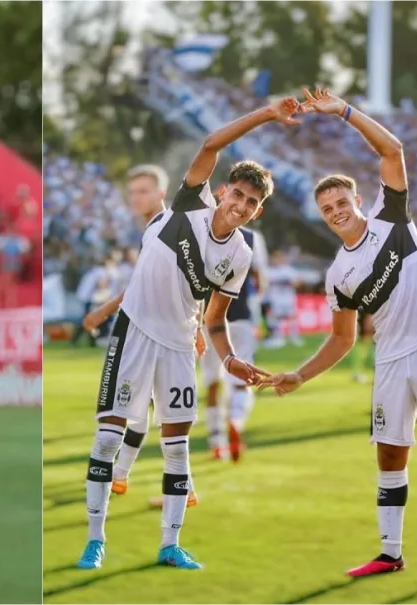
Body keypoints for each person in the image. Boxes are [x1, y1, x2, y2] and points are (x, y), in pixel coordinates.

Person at [262, 88, 417, 583]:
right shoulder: (338, 273)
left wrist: (342, 111)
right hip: (389, 361)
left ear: (358, 200)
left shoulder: (392, 218)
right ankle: (390, 553)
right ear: (323, 216)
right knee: (389, 455)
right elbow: (342, 340)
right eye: (327, 208)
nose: (336, 210)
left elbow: (392, 151)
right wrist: (300, 374)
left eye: (342, 201)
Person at [77, 97, 302, 571]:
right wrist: (265, 114)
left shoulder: (239, 254)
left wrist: (230, 358)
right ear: (223, 192)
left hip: (180, 346)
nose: (240, 206)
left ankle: (169, 544)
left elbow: (216, 315)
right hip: (135, 333)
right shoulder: (190, 203)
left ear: (257, 212)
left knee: (177, 448)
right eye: (237, 195)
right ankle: (95, 540)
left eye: (251, 203)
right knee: (106, 440)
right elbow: (211, 143)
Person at [80, 164, 198, 508]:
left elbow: (195, 276)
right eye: (132, 192)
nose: (137, 198)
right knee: (147, 405)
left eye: (144, 191)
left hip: (160, 332)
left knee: (144, 406)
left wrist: (103, 311)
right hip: (167, 329)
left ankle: (140, 478)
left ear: (161, 193)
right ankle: (127, 476)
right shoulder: (154, 229)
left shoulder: (167, 225)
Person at [202, 226, 269, 462]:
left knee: (212, 381)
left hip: (208, 317)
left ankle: (216, 442)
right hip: (240, 314)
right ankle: (236, 421)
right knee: (241, 379)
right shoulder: (251, 237)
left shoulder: (204, 233)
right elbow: (260, 280)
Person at [262, 250, 301, 347]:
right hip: (275, 299)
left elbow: (298, 282)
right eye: (274, 259)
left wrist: (291, 282)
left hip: (288, 298)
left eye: (278, 258)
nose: (276, 261)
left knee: (292, 317)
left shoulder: (288, 270)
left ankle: (294, 338)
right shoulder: (269, 271)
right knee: (275, 318)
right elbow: (264, 282)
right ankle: (278, 338)